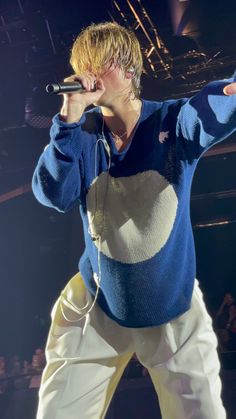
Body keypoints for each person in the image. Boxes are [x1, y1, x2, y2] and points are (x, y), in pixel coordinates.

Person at [32, 21, 236, 419]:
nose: (88, 76)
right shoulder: (82, 135)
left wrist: (230, 95)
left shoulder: (171, 124)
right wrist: (67, 123)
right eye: (83, 66)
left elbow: (211, 109)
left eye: (99, 64)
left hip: (169, 301)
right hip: (97, 301)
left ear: (129, 70)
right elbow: (52, 194)